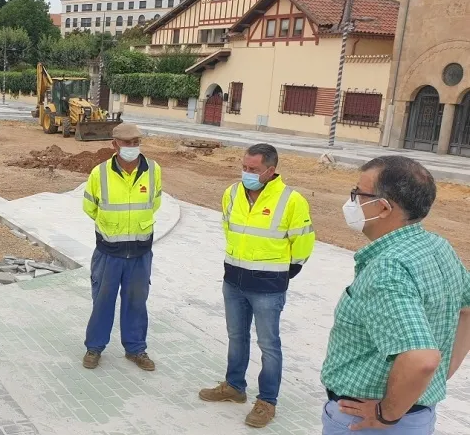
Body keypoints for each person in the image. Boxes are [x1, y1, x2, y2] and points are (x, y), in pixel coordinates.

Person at [320, 156, 470, 434]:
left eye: (358, 193)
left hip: (369, 423)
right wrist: (442, 374)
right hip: (417, 416)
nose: (352, 202)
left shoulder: (388, 268)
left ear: (383, 207)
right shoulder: (437, 246)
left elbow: (422, 359)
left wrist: (386, 414)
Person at [198, 143, 315, 428]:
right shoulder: (232, 193)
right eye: (244, 167)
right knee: (236, 336)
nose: (246, 173)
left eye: (253, 170)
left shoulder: (292, 200)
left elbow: (302, 243)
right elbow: (229, 227)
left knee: (269, 344)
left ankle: (267, 402)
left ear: (270, 171)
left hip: (268, 286)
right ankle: (234, 387)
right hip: (234, 281)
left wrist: (283, 274)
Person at [81, 123, 162, 372]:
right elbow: (90, 207)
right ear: (114, 145)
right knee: (102, 302)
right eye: (127, 143)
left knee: (137, 302)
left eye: (136, 142)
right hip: (109, 252)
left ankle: (136, 349)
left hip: (140, 252)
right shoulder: (100, 173)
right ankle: (94, 347)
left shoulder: (153, 170)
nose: (132, 147)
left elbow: (154, 202)